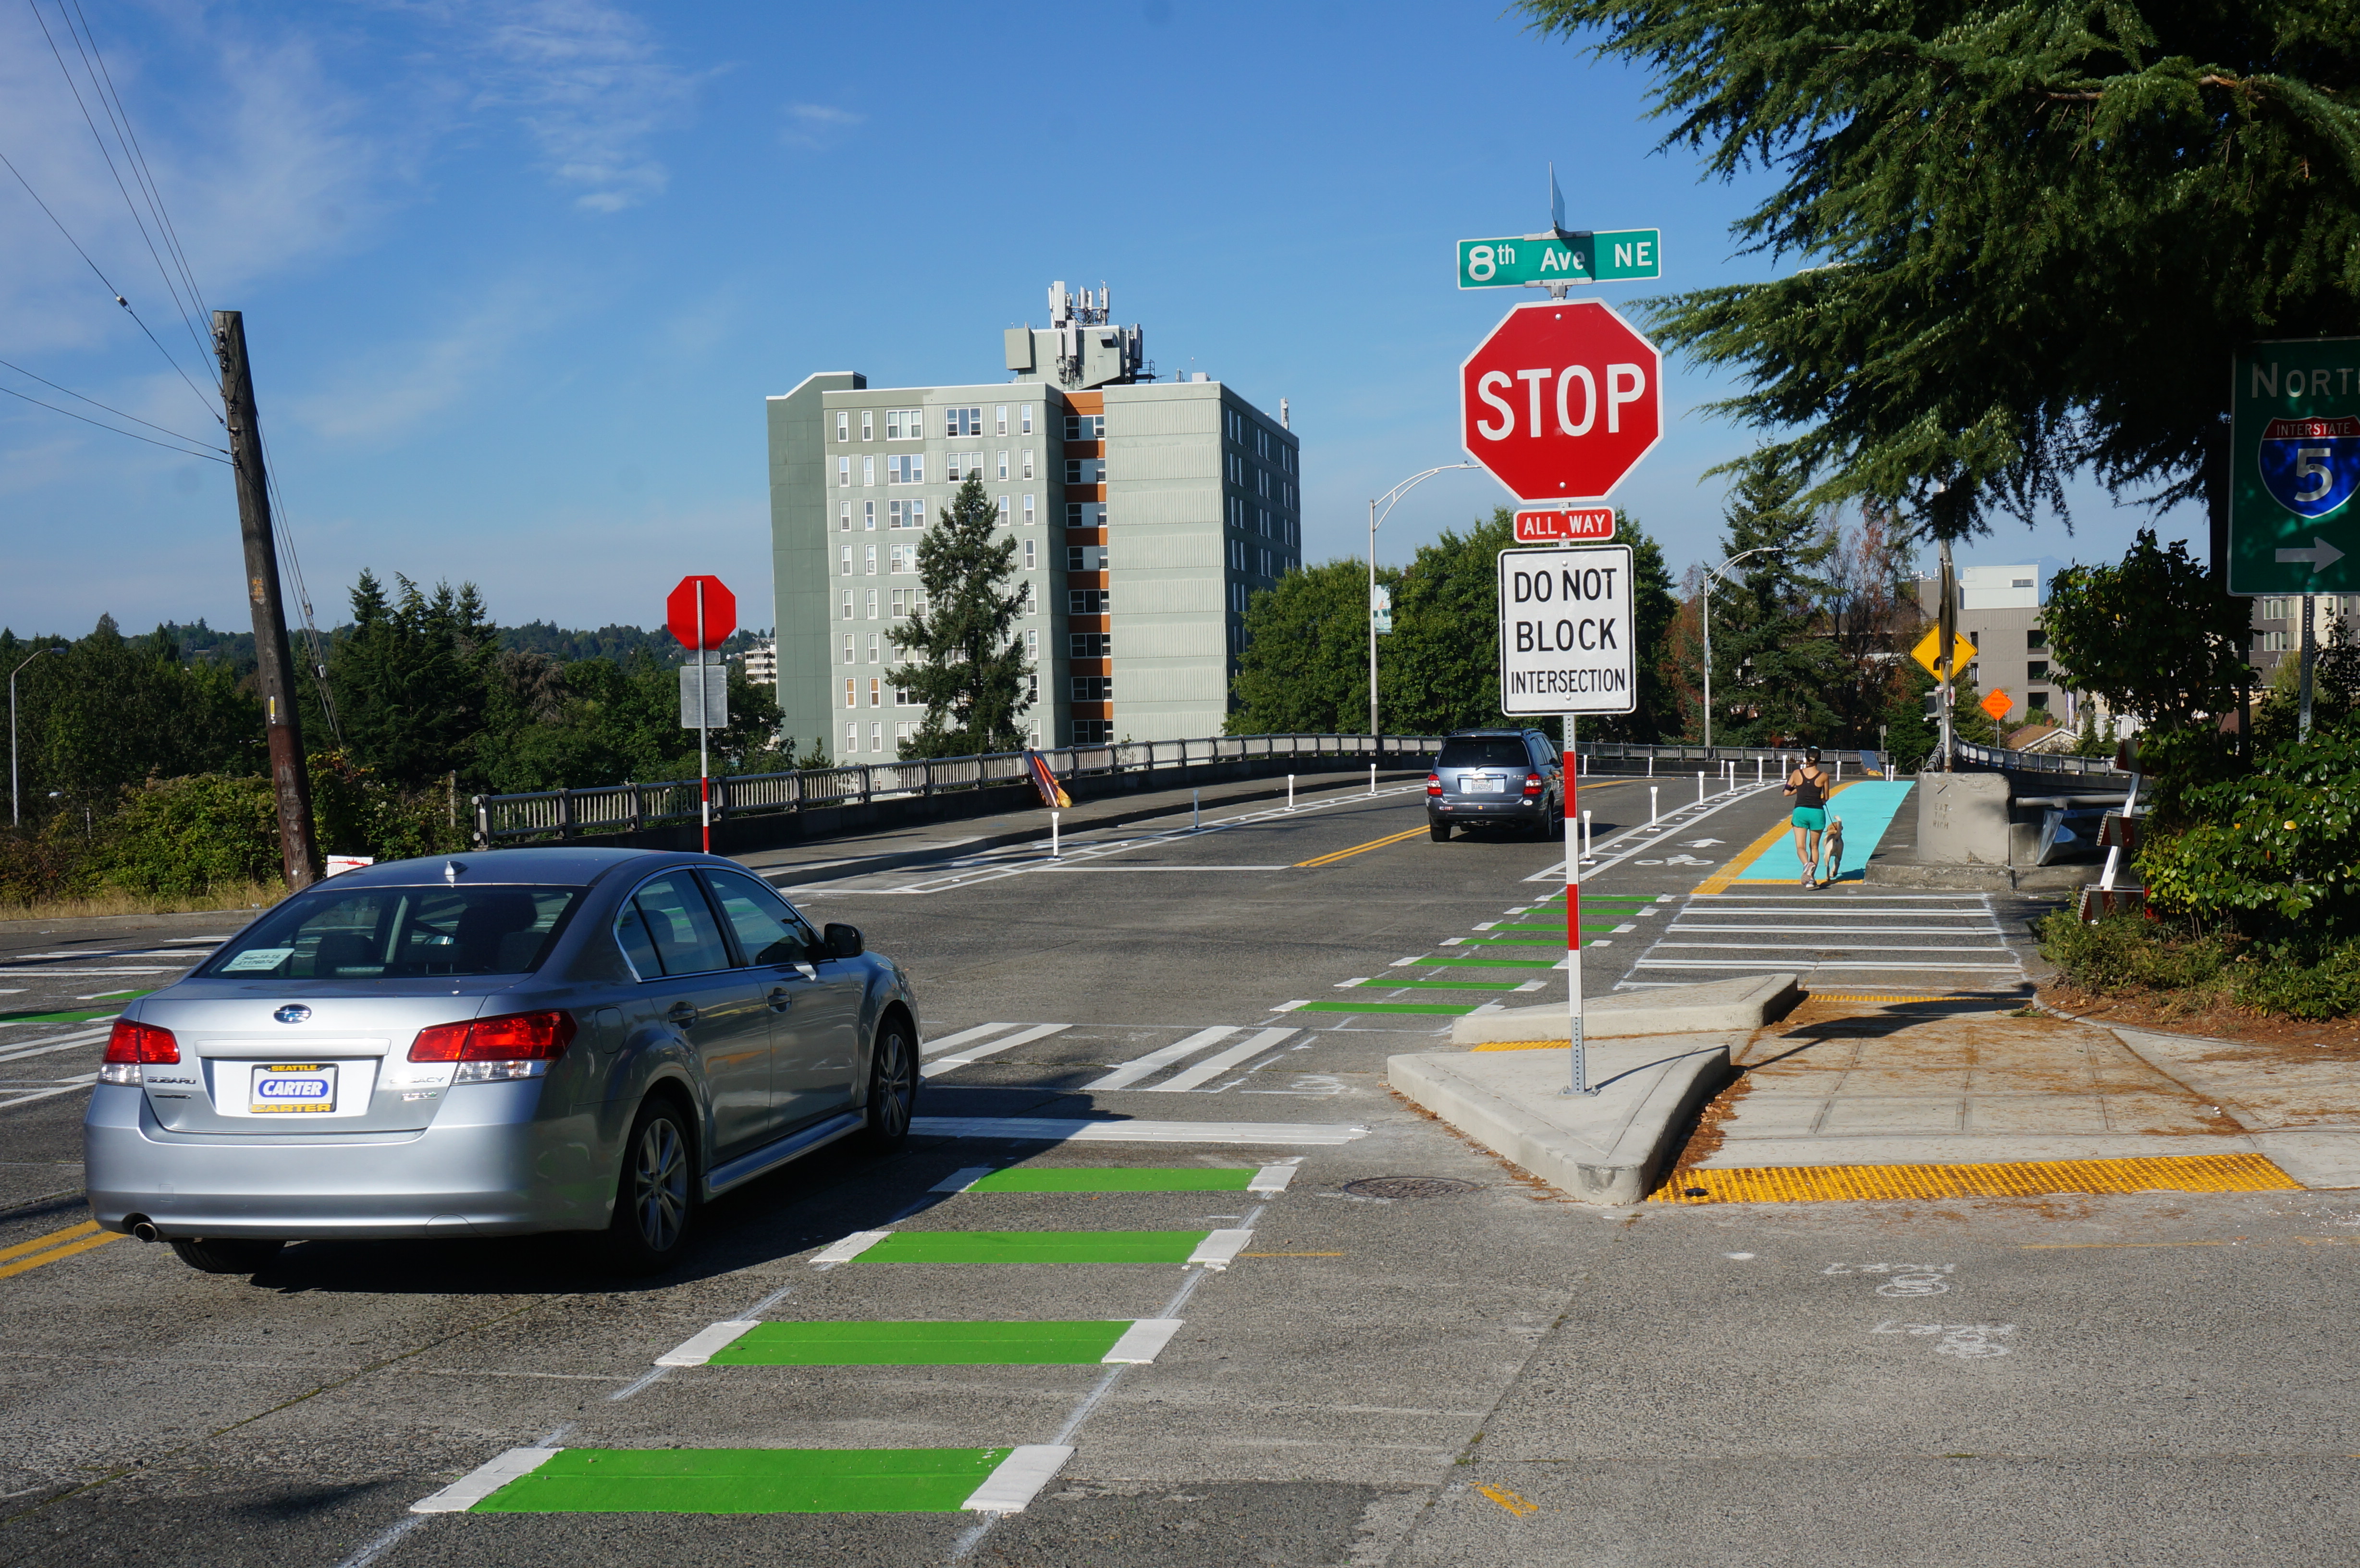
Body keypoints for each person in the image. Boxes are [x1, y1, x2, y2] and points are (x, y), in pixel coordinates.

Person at [1783, 748, 1831, 889]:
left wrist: (1800, 788)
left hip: (1801, 812)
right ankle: (1811, 879)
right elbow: (1826, 798)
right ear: (1819, 760)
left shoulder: (1796, 774)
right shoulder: (1824, 776)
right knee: (1814, 847)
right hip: (1817, 813)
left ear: (1805, 759)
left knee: (1801, 847)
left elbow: (1786, 793)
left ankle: (1806, 865)